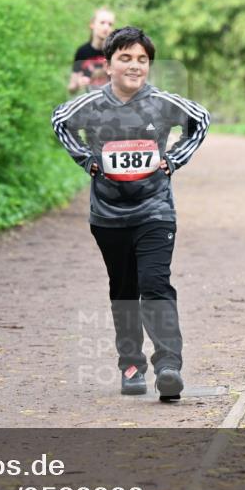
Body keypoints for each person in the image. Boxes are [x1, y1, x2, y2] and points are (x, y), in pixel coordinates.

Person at [52, 26, 209, 401]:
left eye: (142, 59)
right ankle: (132, 364)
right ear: (108, 65)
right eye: (125, 58)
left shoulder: (163, 102)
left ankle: (169, 366)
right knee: (123, 290)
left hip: (155, 210)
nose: (134, 65)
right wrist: (87, 161)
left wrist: (172, 161)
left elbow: (200, 120)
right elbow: (60, 120)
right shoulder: (90, 105)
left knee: (155, 284)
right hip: (108, 215)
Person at [67, 7, 115, 94]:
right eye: (102, 22)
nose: (106, 27)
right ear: (92, 24)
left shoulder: (114, 53)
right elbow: (71, 88)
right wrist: (79, 83)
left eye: (110, 24)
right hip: (90, 103)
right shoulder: (82, 52)